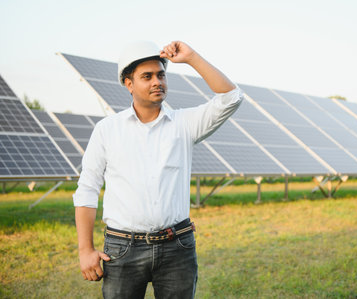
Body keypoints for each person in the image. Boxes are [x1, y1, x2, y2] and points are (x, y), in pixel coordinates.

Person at [73, 40, 242, 299]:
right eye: (147, 76)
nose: (157, 81)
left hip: (177, 247)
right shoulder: (107, 130)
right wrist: (86, 250)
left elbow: (231, 98)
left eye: (161, 75)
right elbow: (87, 189)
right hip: (122, 249)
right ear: (129, 84)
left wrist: (192, 57)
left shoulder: (184, 124)